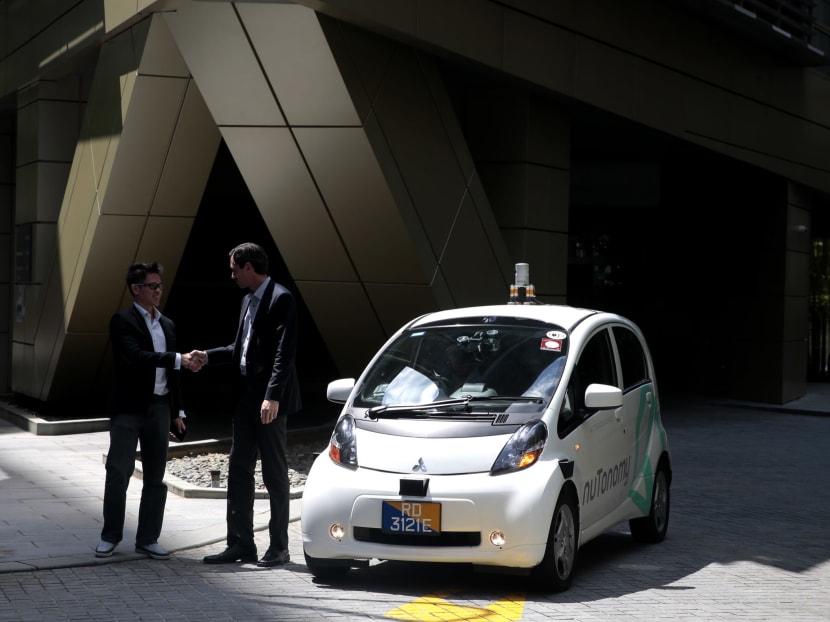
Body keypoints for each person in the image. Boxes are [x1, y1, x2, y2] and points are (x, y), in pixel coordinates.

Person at [196, 242, 302, 567]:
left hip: (269, 402)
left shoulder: (281, 298)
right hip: (245, 401)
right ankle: (240, 544)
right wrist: (207, 357)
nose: (231, 276)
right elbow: (239, 348)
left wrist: (272, 396)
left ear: (248, 267)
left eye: (233, 269)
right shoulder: (246, 301)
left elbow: (285, 353)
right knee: (238, 469)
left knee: (274, 472)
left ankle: (279, 547)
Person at [96, 262, 201, 560]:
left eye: (160, 286)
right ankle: (110, 536)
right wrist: (179, 358)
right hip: (128, 409)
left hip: (159, 407)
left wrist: (178, 410)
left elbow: (173, 374)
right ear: (136, 289)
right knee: (119, 471)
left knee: (156, 475)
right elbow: (137, 357)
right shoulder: (122, 321)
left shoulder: (167, 325)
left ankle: (148, 538)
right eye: (152, 286)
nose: (158, 291)